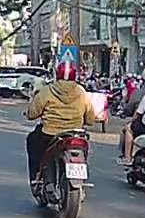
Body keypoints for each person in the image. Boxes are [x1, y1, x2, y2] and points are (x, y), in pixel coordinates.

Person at [26, 61, 99, 190]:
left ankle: (36, 178)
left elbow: (32, 114)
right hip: (74, 134)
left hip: (49, 134)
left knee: (32, 140)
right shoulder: (81, 92)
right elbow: (90, 119)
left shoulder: (46, 91)